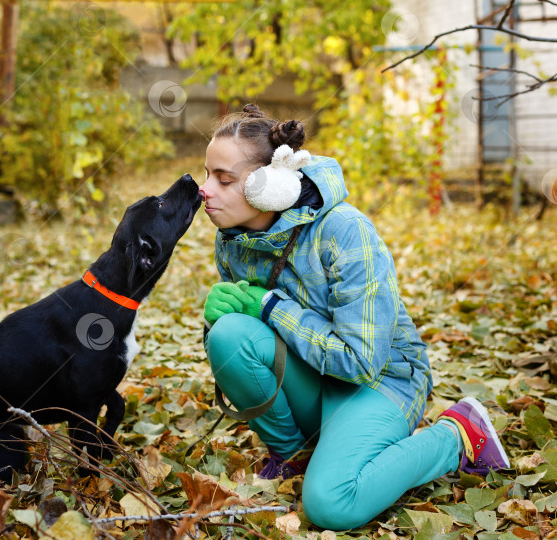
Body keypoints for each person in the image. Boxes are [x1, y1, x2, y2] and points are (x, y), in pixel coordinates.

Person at [199, 103, 509, 531]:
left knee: (331, 505)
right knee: (229, 336)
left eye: (223, 178)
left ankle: (457, 435)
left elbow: (361, 362)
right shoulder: (232, 240)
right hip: (313, 376)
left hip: (380, 380)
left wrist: (270, 307)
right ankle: (294, 455)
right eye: (207, 173)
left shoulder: (345, 230)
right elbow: (246, 345)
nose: (204, 189)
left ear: (269, 185)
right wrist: (218, 319)